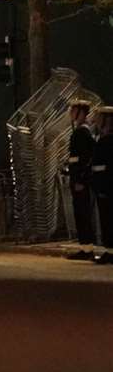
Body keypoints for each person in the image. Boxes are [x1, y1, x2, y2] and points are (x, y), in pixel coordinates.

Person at [65, 98, 97, 260]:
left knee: (82, 214)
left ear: (81, 113)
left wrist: (80, 180)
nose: (70, 114)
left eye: (73, 111)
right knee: (80, 214)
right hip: (77, 178)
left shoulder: (81, 133)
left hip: (80, 181)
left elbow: (84, 159)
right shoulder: (82, 132)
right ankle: (85, 247)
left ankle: (87, 249)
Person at [92, 106, 113, 266]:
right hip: (105, 185)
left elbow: (103, 167)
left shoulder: (107, 140)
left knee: (107, 220)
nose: (96, 121)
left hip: (106, 186)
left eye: (100, 118)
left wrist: (102, 187)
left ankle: (110, 251)